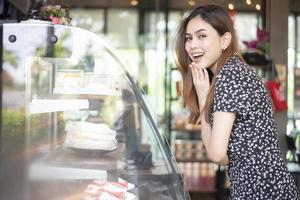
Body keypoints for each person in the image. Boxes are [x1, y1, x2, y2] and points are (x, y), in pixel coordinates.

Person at [175, 4, 300, 199]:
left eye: (202, 36)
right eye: (189, 38)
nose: (192, 45)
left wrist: (202, 97)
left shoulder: (230, 76)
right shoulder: (232, 71)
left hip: (263, 191)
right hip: (261, 189)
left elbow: (217, 155)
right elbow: (221, 155)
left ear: (224, 40)